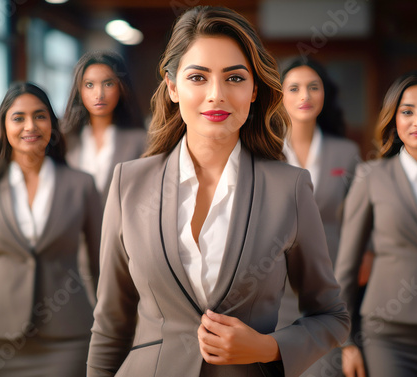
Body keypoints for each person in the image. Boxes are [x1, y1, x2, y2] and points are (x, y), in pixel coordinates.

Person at [87, 6, 350, 377]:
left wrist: (269, 347)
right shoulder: (128, 183)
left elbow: (331, 316)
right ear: (173, 87)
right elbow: (110, 326)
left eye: (234, 78)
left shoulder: (289, 187)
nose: (216, 95)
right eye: (198, 78)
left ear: (255, 89)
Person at [0, 82, 102, 377]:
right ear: (3, 125)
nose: (30, 126)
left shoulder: (81, 185)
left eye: (40, 116)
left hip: (69, 339)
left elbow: (104, 267)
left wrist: (112, 334)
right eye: (18, 117)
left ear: (52, 124)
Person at [335, 71, 417, 377]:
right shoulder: (371, 177)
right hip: (390, 337)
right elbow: (346, 268)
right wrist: (347, 342)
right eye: (407, 112)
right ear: (394, 120)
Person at [276, 57, 360, 376]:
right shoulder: (264, 153)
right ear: (280, 95)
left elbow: (358, 222)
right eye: (294, 88)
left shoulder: (346, 153)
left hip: (332, 284)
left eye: (314, 87)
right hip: (275, 287)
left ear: (325, 94)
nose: (305, 96)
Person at [62, 50, 147, 204]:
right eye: (89, 85)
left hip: (122, 227)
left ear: (121, 88)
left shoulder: (140, 141)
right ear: (79, 90)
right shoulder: (66, 140)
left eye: (108, 84)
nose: (99, 94)